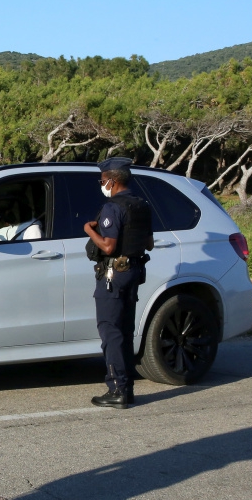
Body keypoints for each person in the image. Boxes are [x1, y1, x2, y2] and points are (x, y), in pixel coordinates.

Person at [83, 157, 153, 409]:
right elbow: (149, 243)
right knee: (124, 331)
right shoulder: (142, 205)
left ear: (112, 181)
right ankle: (127, 388)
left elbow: (108, 246)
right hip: (133, 271)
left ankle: (117, 389)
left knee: (110, 332)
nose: (102, 185)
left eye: (102, 181)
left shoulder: (113, 207)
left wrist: (89, 229)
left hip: (113, 275)